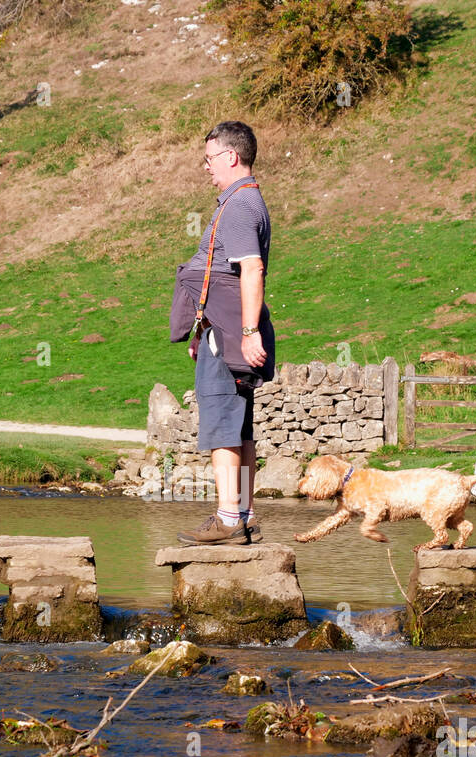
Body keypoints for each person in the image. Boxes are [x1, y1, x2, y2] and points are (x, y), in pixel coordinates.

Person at [169, 120, 275, 545]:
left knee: (223, 429)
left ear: (231, 156)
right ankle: (242, 515)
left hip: (232, 336)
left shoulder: (238, 207)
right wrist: (201, 328)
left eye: (210, 158)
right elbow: (221, 275)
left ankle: (229, 520)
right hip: (224, 330)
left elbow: (252, 269)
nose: (206, 166)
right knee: (241, 429)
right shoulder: (244, 202)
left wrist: (248, 333)